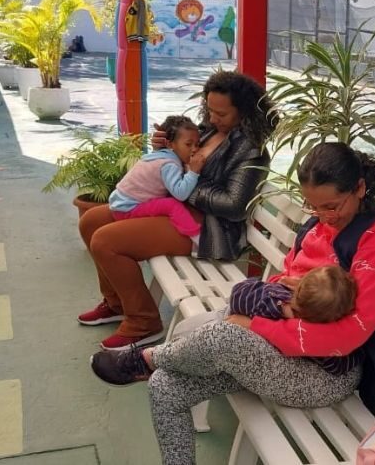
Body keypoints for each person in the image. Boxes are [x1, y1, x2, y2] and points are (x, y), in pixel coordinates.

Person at [89, 143, 375, 465]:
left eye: (332, 206)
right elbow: (290, 279)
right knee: (166, 385)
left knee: (223, 336)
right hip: (280, 349)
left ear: (359, 188)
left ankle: (145, 359)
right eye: (313, 207)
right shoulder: (322, 222)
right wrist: (273, 301)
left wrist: (256, 325)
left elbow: (346, 336)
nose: (324, 217)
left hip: (323, 373)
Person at [77, 70, 277, 350]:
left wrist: (185, 183)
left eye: (222, 113)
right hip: (177, 209)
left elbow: (234, 206)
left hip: (210, 227)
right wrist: (168, 150)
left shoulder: (250, 151)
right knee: (92, 221)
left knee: (106, 241)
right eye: (210, 109)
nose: (213, 118)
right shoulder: (208, 131)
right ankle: (116, 303)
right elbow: (184, 158)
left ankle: (143, 322)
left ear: (243, 112)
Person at [108, 115, 205, 238]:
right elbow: (181, 194)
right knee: (172, 205)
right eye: (188, 144)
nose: (194, 149)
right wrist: (194, 172)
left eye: (197, 144)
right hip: (128, 209)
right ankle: (197, 237)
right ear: (170, 144)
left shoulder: (158, 156)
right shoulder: (169, 164)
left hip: (120, 203)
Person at [228, 265, 357, 323]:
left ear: (299, 285)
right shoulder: (313, 336)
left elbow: (237, 294)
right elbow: (337, 365)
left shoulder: (272, 300)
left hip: (235, 319)